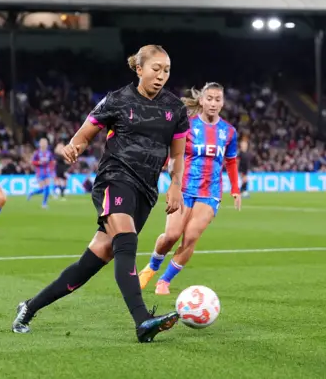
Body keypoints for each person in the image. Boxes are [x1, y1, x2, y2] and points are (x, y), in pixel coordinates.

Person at [12, 44, 189, 343]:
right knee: (127, 242)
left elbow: (178, 156)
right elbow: (83, 136)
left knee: (91, 263)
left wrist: (175, 186)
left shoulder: (175, 108)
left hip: (146, 191)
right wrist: (73, 148)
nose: (161, 75)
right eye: (155, 69)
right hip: (114, 180)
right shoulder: (117, 100)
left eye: (167, 70)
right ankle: (142, 321)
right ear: (139, 69)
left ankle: (28, 308)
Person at [139, 82, 241, 294]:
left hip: (210, 192)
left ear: (223, 103)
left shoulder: (228, 132)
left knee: (191, 237)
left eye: (218, 99)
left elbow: (231, 161)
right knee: (171, 235)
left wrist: (235, 189)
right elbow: (173, 152)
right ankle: (152, 267)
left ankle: (165, 281)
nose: (213, 103)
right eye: (209, 98)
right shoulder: (186, 125)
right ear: (202, 101)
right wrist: (162, 168)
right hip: (183, 189)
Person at [27, 138, 53, 208]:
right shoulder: (37, 153)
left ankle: (44, 203)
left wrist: (51, 170)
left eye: (45, 143)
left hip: (47, 171)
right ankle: (32, 193)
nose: (44, 144)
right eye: (43, 143)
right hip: (39, 172)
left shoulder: (49, 153)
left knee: (47, 187)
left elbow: (51, 162)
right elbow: (32, 162)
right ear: (40, 144)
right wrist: (38, 162)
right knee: (41, 189)